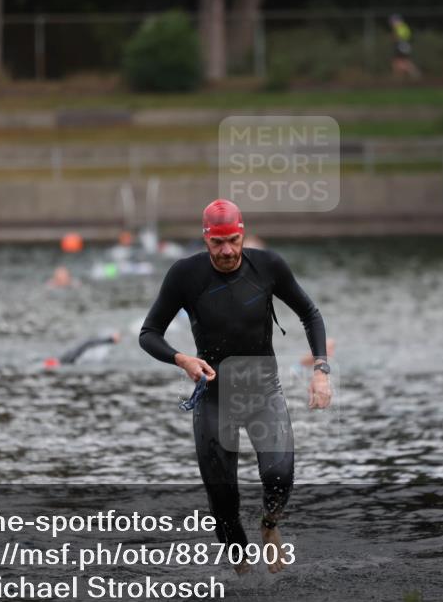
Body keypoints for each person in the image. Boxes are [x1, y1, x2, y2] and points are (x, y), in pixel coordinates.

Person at [139, 199, 331, 574]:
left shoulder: (269, 266)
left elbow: (310, 313)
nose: (227, 251)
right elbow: (149, 334)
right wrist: (181, 358)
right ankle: (243, 574)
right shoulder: (184, 275)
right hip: (214, 398)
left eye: (233, 241)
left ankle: (270, 525)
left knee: (280, 474)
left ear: (241, 235)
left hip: (263, 392)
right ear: (205, 240)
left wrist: (321, 369)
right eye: (217, 244)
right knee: (222, 498)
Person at [389, 14, 421, 79]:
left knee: (400, 62)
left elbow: (400, 37)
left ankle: (414, 74)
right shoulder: (400, 27)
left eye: (393, 22)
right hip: (402, 46)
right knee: (400, 62)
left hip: (403, 46)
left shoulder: (401, 27)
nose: (392, 24)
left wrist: (394, 37)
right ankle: (411, 74)